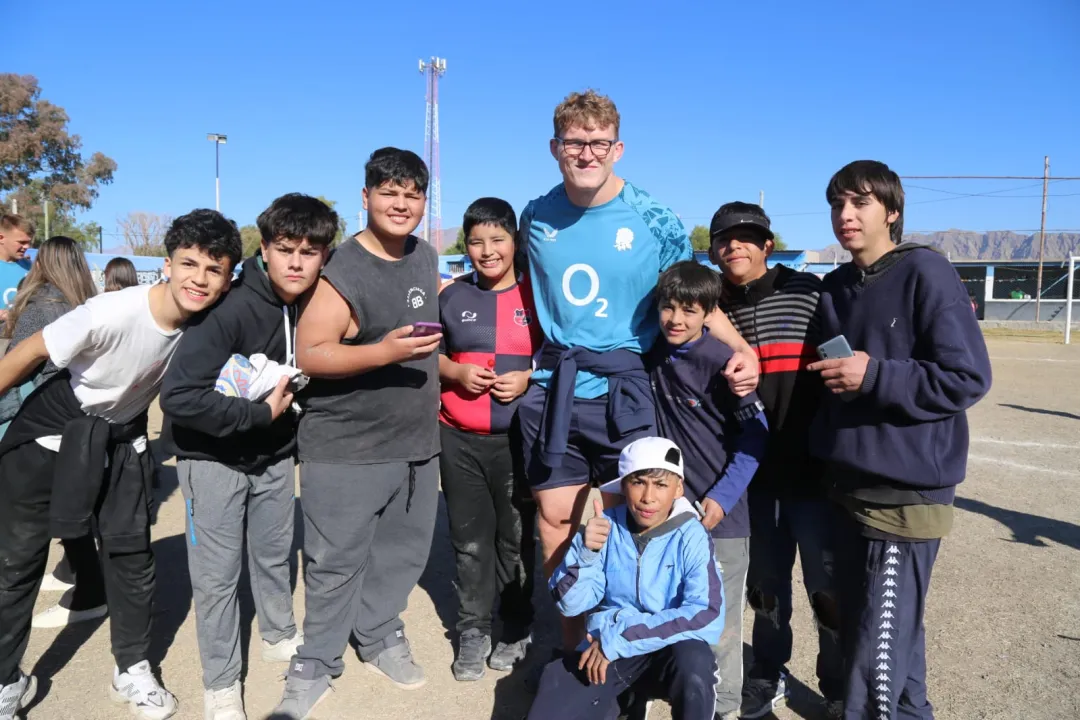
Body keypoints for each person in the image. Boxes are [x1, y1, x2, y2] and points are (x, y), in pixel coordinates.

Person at [515, 89, 759, 655]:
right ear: (555, 148)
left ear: (618, 148)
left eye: (598, 143)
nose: (586, 154)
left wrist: (741, 348)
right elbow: (522, 294)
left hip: (629, 391)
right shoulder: (534, 215)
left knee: (638, 518)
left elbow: (695, 297)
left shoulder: (654, 217)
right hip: (556, 390)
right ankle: (574, 647)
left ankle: (629, 644)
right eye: (574, 142)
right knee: (557, 519)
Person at [0, 210, 241, 720]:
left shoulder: (207, 325)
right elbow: (27, 353)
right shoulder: (111, 310)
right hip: (54, 429)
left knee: (132, 560)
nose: (198, 278)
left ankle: (130, 668)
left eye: (213, 269)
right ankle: (6, 680)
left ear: (226, 279)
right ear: (168, 265)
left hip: (123, 435)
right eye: (188, 263)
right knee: (16, 563)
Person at [806, 161, 992, 720]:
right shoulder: (835, 287)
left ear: (891, 211)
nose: (846, 215)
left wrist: (875, 375)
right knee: (889, 636)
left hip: (904, 496)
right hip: (845, 487)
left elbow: (967, 377)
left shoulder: (925, 273)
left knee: (874, 650)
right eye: (837, 203)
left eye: (860, 203)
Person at [274, 149, 442, 719]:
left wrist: (456, 371)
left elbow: (426, 347)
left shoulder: (425, 257)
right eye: (389, 192)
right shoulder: (342, 268)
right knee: (334, 562)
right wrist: (383, 352)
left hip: (417, 442)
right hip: (346, 447)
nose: (402, 204)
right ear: (365, 197)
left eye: (412, 194)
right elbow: (312, 354)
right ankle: (316, 662)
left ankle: (378, 631)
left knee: (402, 554)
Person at [160, 194, 337, 720]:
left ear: (325, 254)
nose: (297, 262)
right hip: (210, 459)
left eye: (310, 251)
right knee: (216, 577)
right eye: (286, 249)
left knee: (274, 552)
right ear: (265, 248)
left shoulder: (311, 301)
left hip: (275, 457)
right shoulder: (232, 307)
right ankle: (220, 683)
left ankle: (278, 633)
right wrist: (259, 415)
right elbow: (179, 398)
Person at [708, 202, 844, 718]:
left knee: (827, 592)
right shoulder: (714, 306)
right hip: (752, 478)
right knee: (765, 591)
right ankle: (767, 673)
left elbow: (840, 358)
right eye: (725, 239)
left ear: (768, 245)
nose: (735, 246)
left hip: (814, 475)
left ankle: (836, 688)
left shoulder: (811, 293)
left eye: (747, 238)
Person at [644, 260, 769, 720]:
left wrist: (720, 498)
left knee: (719, 624)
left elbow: (756, 437)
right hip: (668, 518)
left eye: (689, 310)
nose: (676, 319)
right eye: (668, 307)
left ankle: (727, 708)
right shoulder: (651, 353)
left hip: (721, 520)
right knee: (672, 611)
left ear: (709, 314)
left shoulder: (725, 364)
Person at [528, 436, 724, 720]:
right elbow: (570, 605)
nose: (648, 497)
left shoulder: (692, 535)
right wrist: (586, 554)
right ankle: (628, 699)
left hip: (660, 647)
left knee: (695, 662)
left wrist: (622, 638)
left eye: (660, 484)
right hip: (605, 651)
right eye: (638, 482)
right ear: (622, 485)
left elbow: (707, 613)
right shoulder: (603, 527)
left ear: (678, 488)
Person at [437, 198, 540, 681]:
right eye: (476, 241)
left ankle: (517, 625)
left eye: (497, 239)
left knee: (515, 540)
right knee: (469, 542)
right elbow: (427, 355)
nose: (487, 250)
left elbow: (562, 355)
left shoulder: (538, 298)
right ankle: (473, 629)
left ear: (514, 242)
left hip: (517, 442)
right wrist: (454, 370)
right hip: (458, 439)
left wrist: (528, 377)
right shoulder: (452, 296)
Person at [0, 237, 108, 632]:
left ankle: (87, 589)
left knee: (28, 520)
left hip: (37, 421)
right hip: (77, 423)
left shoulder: (41, 304)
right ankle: (81, 579)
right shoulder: (87, 305)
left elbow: (18, 367)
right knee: (70, 505)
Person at [0, 214, 35, 325]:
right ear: (1, 238)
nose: (27, 247)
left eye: (29, 242)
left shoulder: (30, 267)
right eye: (21, 242)